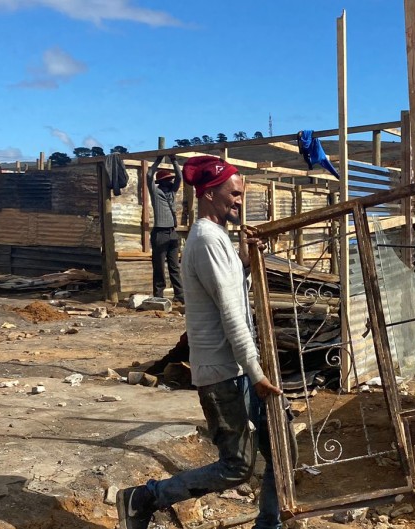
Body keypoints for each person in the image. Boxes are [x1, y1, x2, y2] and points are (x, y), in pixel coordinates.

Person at [118, 155, 283, 529]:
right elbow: (231, 314)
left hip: (237, 368)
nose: (240, 201)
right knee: (237, 467)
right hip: (224, 374)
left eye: (241, 194)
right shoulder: (207, 239)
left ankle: (270, 524)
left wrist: (246, 256)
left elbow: (227, 285)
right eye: (234, 193)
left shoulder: (218, 237)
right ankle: (144, 498)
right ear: (209, 193)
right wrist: (257, 373)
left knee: (278, 448)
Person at [148, 154, 184, 303]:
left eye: (170, 180)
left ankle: (179, 295)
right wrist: (157, 160)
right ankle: (158, 295)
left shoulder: (171, 193)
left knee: (174, 266)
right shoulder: (156, 193)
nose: (170, 182)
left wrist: (174, 160)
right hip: (160, 233)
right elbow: (149, 175)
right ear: (161, 182)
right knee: (159, 267)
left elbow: (180, 178)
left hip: (172, 233)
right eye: (168, 180)